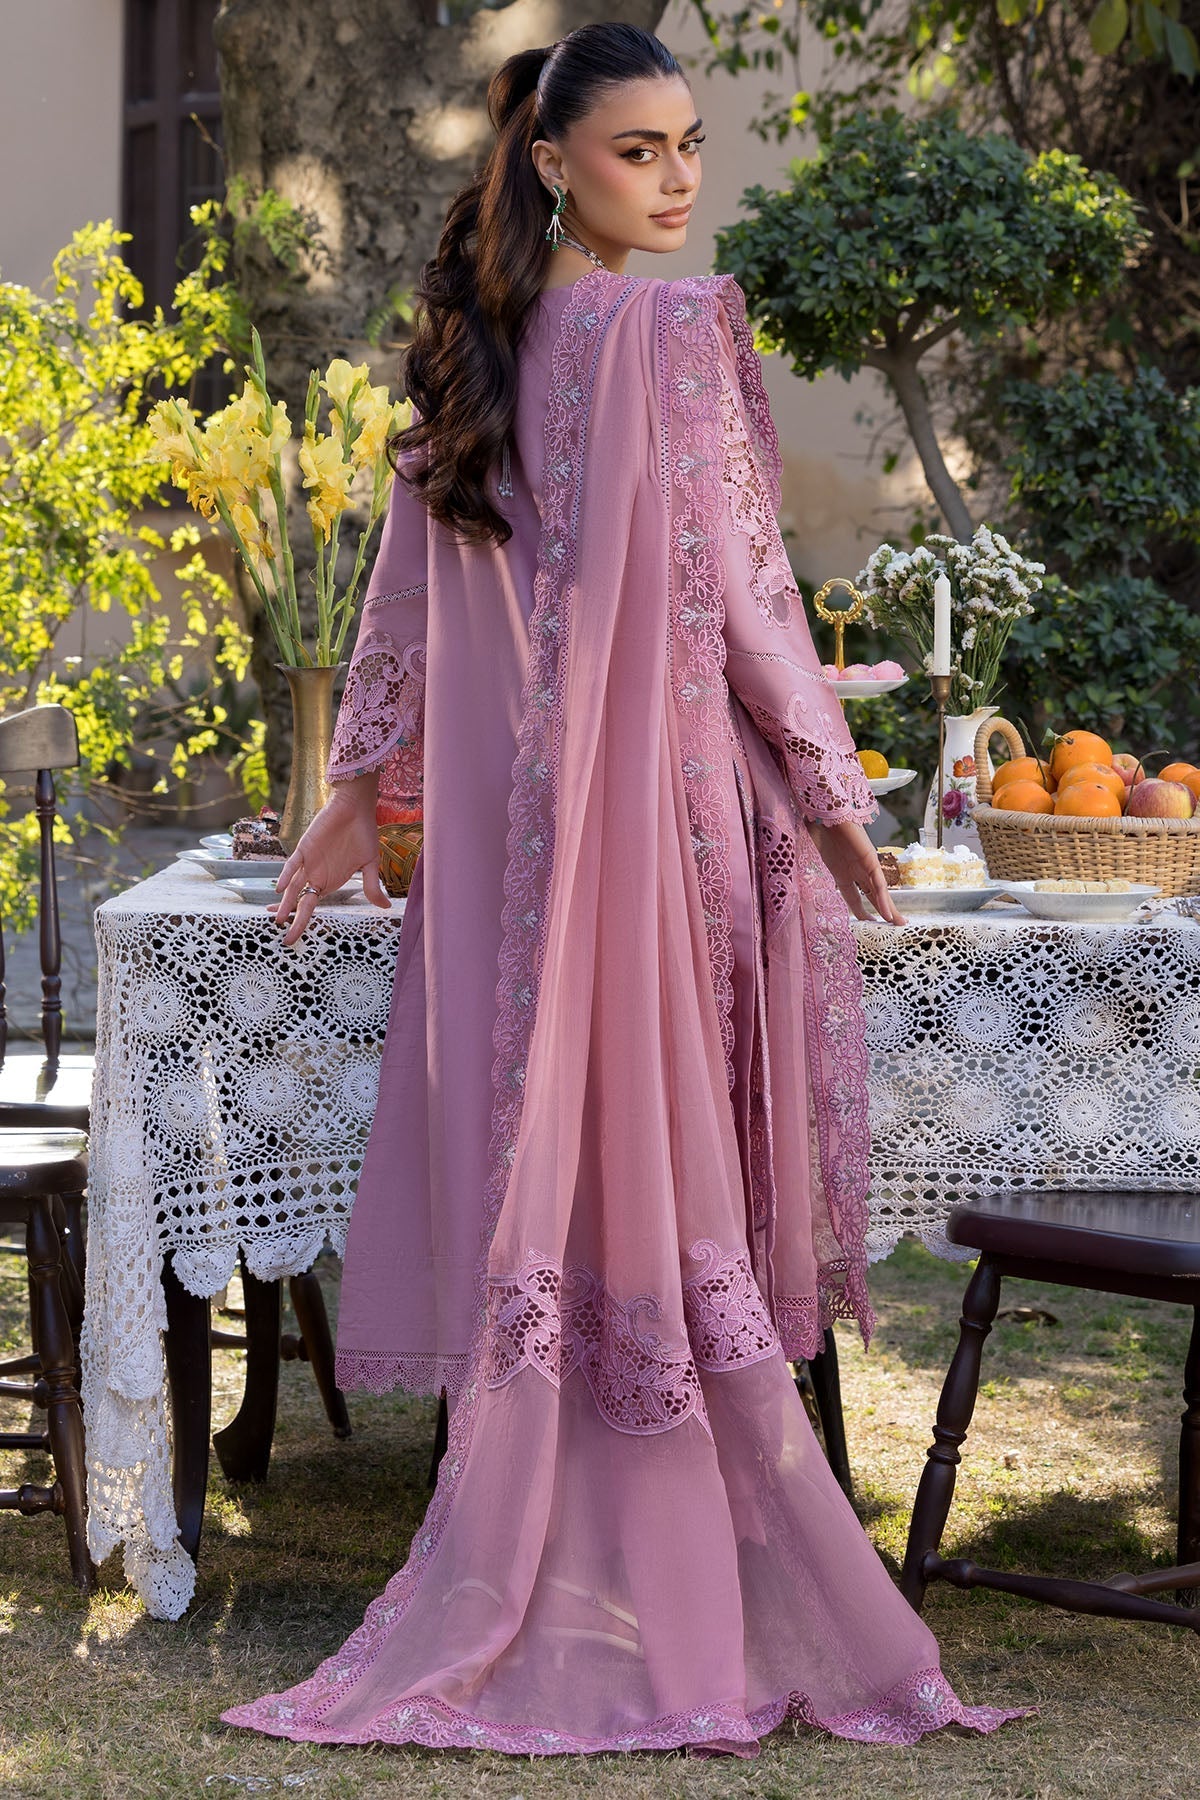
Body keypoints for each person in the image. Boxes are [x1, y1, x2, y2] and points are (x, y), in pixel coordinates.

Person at [223, 23, 1023, 1758]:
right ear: (552, 161)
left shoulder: (478, 346)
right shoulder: (667, 331)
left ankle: (590, 1563)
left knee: (565, 1160)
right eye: (638, 149)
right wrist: (828, 790)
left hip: (507, 831)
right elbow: (747, 589)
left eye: (687, 145)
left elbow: (400, 602)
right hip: (651, 816)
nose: (676, 180)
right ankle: (667, 1572)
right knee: (643, 1163)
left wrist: (360, 793)